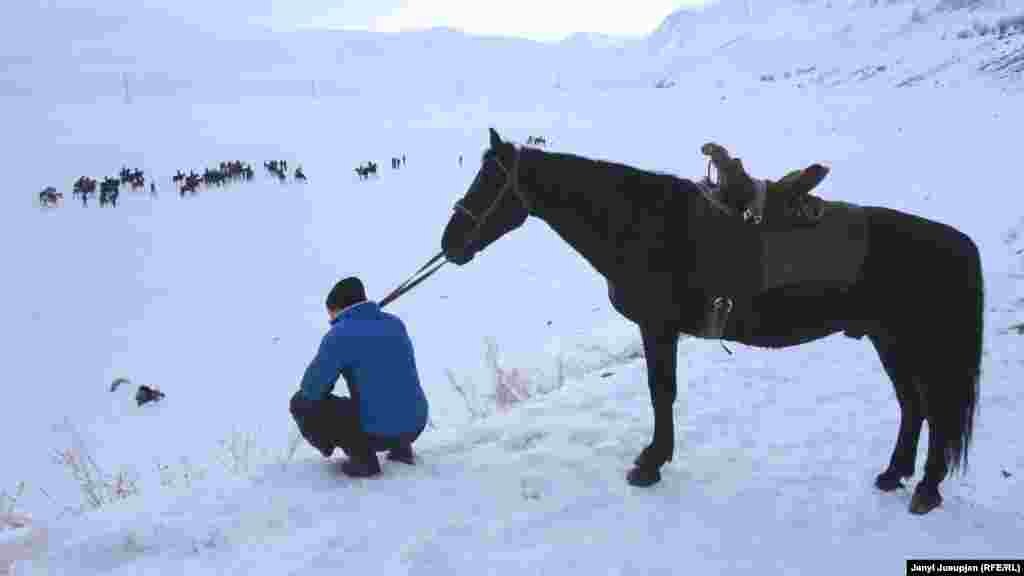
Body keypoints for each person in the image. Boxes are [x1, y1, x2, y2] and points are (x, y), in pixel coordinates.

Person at [290, 277, 429, 478]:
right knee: (388, 386)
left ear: (336, 308)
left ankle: (363, 459)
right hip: (415, 424)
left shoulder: (339, 335)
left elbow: (312, 389)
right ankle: (401, 448)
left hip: (378, 432)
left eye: (330, 316)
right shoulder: (395, 323)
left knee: (300, 402)